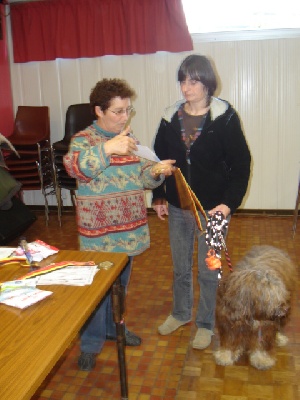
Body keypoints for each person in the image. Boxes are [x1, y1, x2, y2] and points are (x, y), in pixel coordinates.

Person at [63, 78, 175, 371]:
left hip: (128, 231)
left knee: (120, 288)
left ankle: (115, 329)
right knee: (96, 292)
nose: (125, 117)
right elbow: (76, 168)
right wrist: (109, 148)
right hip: (100, 236)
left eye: (128, 110)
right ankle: (90, 343)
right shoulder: (83, 140)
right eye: (118, 111)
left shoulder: (128, 139)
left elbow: (141, 177)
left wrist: (157, 172)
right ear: (99, 110)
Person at [152, 54, 251, 350]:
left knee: (209, 269)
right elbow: (158, 161)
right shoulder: (170, 117)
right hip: (177, 206)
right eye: (182, 81)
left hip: (213, 210)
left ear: (207, 82)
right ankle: (181, 313)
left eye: (193, 81)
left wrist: (228, 204)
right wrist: (158, 195)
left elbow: (242, 164)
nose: (186, 87)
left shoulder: (225, 117)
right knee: (180, 267)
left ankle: (205, 323)